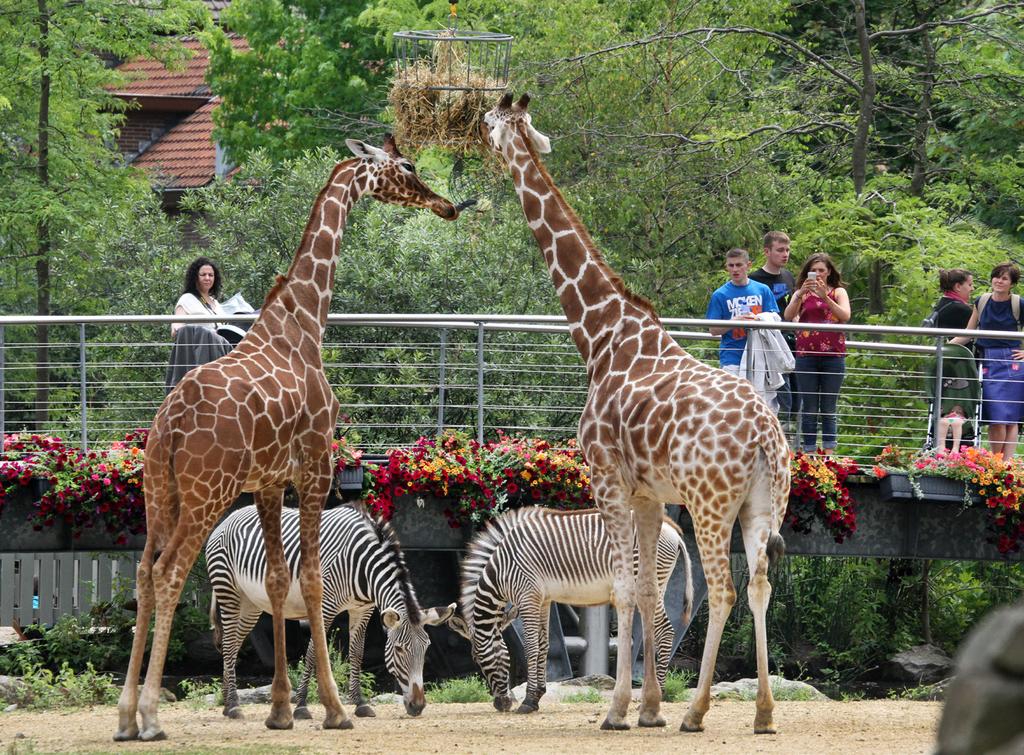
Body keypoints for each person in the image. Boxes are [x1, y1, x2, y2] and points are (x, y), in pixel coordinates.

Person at [953, 262, 1024, 459]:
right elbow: (968, 333)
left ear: (1012, 283)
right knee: (996, 416)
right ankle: (996, 461)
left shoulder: (1019, 303)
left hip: (1013, 362)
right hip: (988, 361)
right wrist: (945, 347)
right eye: (997, 276)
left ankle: (1006, 465)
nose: (999, 281)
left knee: (1011, 418)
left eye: (1005, 278)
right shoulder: (982, 301)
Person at [783, 253, 852, 454]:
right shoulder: (801, 293)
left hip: (833, 356)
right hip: (806, 355)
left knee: (829, 407)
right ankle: (810, 454)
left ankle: (829, 455)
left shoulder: (838, 292)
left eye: (822, 270)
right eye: (815, 271)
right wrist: (799, 295)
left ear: (829, 271)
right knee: (810, 407)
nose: (819, 274)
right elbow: (788, 316)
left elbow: (845, 316)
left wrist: (825, 298)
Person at [749, 231, 799, 422]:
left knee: (797, 394)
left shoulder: (787, 276)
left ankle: (795, 443)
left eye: (787, 250)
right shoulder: (755, 279)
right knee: (780, 394)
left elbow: (794, 309)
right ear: (767, 251)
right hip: (769, 343)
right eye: (780, 250)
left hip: (791, 339)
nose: (785, 254)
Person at [706, 248, 779, 377]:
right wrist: (734, 322)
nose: (735, 269)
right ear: (726, 267)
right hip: (732, 356)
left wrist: (758, 320)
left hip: (760, 354)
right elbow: (713, 330)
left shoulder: (763, 290)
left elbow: (775, 320)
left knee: (760, 396)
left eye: (739, 265)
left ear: (748, 265)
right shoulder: (719, 295)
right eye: (731, 265)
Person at [926, 269, 977, 451]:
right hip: (960, 368)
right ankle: (958, 449)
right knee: (958, 408)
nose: (972, 289)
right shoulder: (962, 309)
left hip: (943, 367)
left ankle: (940, 450)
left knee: (943, 408)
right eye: (969, 285)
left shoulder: (941, 305)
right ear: (957, 286)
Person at [166, 257, 232, 393]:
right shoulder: (187, 299)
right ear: (195, 277)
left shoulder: (216, 303)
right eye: (203, 275)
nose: (207, 278)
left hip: (220, 353)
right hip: (199, 358)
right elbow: (176, 328)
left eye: (211, 275)